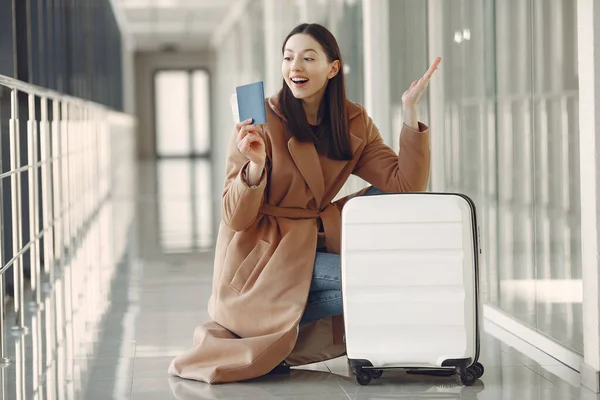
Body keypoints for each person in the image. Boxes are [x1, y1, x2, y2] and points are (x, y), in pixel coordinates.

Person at [169, 23, 440, 384]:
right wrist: (254, 165)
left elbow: (405, 185)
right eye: (288, 57)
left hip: (314, 237)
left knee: (374, 261)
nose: (294, 67)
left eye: (308, 58)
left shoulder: (352, 121)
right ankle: (267, 334)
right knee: (369, 282)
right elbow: (234, 218)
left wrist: (409, 110)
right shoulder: (263, 120)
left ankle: (277, 334)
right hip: (264, 253)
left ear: (332, 68)